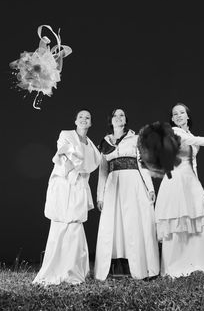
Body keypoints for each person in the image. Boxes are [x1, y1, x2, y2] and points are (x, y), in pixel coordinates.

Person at [139, 103, 204, 278]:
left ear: (188, 116)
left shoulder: (188, 133)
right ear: (172, 119)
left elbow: (193, 163)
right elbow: (196, 141)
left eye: (182, 113)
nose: (178, 116)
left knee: (200, 218)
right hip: (176, 181)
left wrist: (198, 186)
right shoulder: (175, 132)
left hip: (190, 180)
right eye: (175, 114)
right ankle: (177, 265)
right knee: (179, 220)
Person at [33, 110, 101, 285]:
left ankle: (76, 268)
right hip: (65, 185)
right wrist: (77, 167)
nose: (84, 119)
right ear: (75, 120)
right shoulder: (66, 135)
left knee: (75, 225)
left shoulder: (92, 145)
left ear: (91, 123)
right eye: (81, 117)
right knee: (62, 225)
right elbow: (66, 157)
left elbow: (93, 163)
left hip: (79, 187)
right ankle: (57, 269)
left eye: (88, 118)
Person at [94, 108, 160, 281]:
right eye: (115, 115)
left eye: (121, 115)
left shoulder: (136, 139)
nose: (118, 117)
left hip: (133, 183)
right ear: (111, 120)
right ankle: (115, 267)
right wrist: (99, 195)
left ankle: (140, 266)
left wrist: (150, 188)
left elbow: (143, 164)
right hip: (113, 185)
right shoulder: (105, 142)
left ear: (126, 120)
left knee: (134, 222)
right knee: (113, 224)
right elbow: (102, 170)